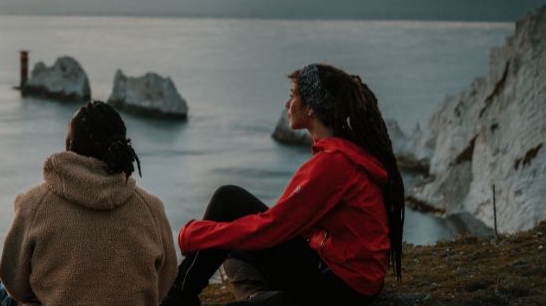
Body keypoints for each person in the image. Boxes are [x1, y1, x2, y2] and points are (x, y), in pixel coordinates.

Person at [161, 63, 405, 306]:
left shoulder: (334, 164)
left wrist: (194, 235)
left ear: (311, 108)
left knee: (228, 201)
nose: (287, 105)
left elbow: (274, 228)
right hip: (351, 278)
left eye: (293, 96)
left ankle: (178, 298)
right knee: (235, 246)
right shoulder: (343, 153)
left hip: (341, 287)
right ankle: (261, 298)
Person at [0, 100, 178, 306]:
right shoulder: (152, 208)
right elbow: (164, 281)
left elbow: (14, 282)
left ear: (69, 146)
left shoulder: (33, 204)